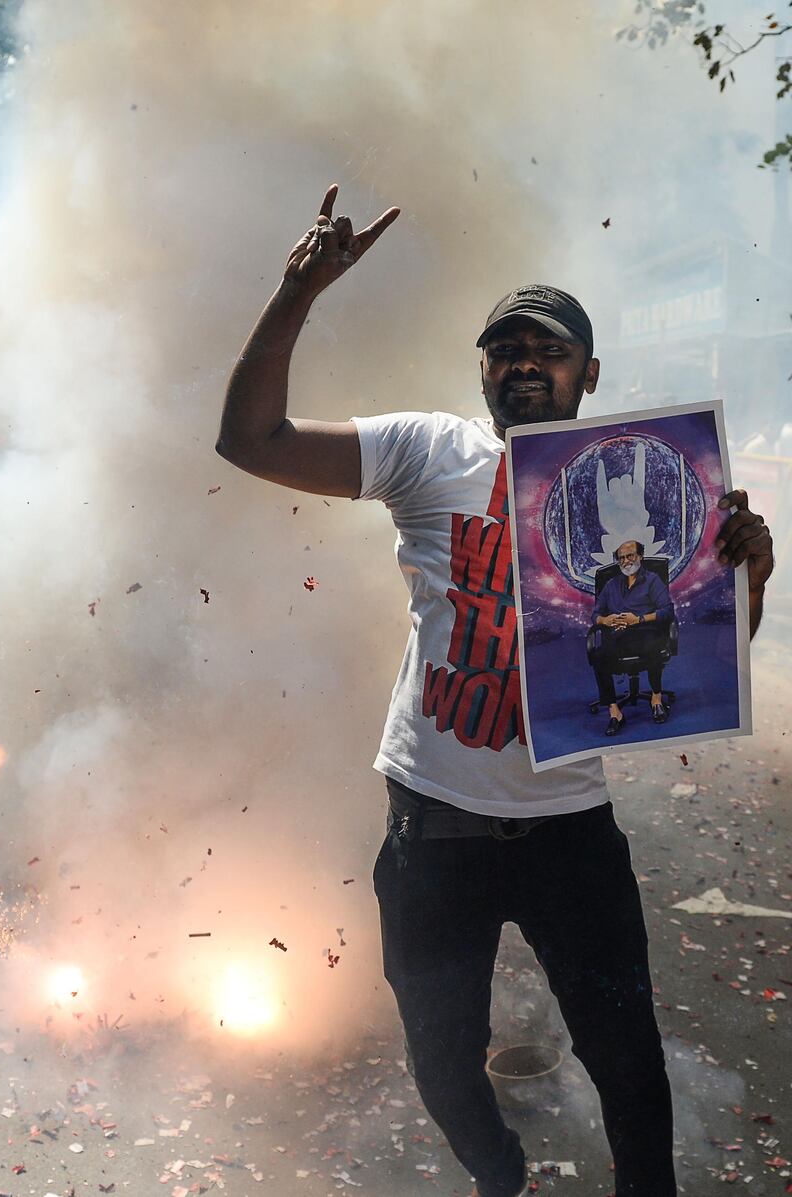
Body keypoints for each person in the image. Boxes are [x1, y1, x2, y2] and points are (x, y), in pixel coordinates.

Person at [216, 185, 775, 1197]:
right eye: (502, 349)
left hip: (569, 831)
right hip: (432, 830)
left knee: (627, 1065)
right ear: (480, 370)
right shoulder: (430, 451)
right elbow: (249, 443)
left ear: (586, 373)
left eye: (547, 349)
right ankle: (498, 1176)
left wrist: (749, 578)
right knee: (439, 1061)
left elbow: (701, 663)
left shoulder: (650, 484)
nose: (522, 363)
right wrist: (297, 292)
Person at [591, 540, 675, 735]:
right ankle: (614, 712)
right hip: (618, 633)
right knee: (599, 656)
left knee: (653, 646)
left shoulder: (652, 580)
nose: (626, 561)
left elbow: (667, 611)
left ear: (640, 557)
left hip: (645, 629)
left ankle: (656, 699)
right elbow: (595, 614)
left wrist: (638, 619)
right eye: (621, 558)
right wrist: (606, 620)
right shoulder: (611, 584)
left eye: (630, 556)